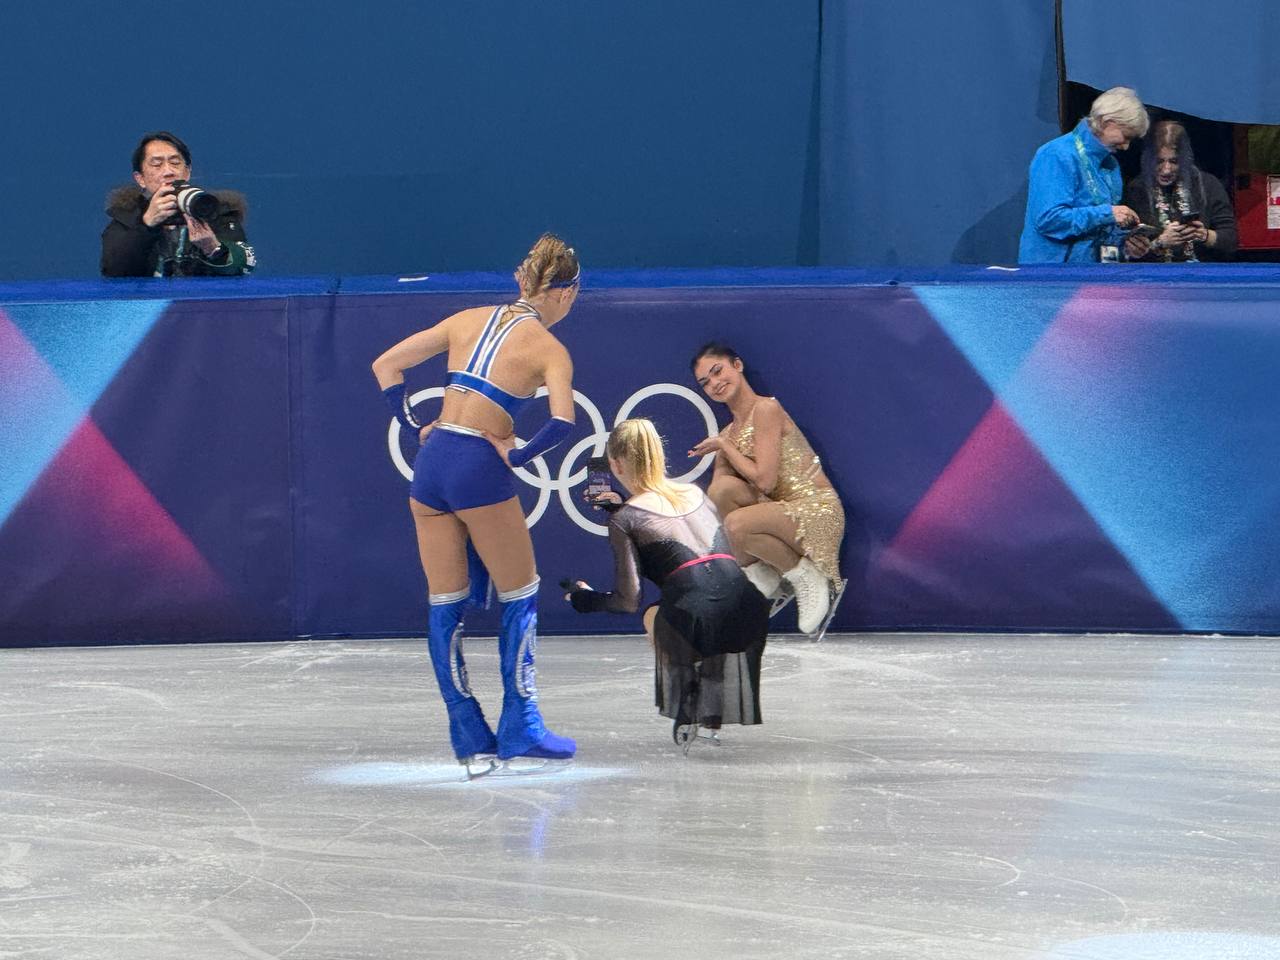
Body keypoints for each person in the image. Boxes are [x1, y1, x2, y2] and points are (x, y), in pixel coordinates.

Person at [371, 234, 580, 773]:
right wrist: (517, 455)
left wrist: (413, 425)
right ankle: (521, 727)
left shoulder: (466, 319)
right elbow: (562, 421)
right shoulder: (550, 349)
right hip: (478, 467)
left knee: (446, 602)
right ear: (567, 293)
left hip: (432, 465)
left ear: (520, 280)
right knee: (521, 593)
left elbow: (385, 365)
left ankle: (467, 734)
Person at [564, 419, 769, 750]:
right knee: (706, 600)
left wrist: (584, 599)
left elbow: (628, 600)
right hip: (751, 610)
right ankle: (711, 713)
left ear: (615, 464)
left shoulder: (625, 519)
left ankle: (689, 698)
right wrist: (621, 507)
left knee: (656, 614)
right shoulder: (695, 493)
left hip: (698, 619)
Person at [688, 343, 846, 637]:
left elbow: (765, 482)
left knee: (737, 523)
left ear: (738, 365)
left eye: (718, 371)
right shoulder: (728, 434)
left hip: (816, 511)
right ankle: (761, 574)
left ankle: (807, 576)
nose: (714, 383)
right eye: (705, 382)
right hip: (778, 514)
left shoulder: (766, 409)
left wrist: (724, 447)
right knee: (721, 493)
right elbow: (718, 495)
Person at [1018, 87, 1150, 263]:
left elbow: (1101, 232)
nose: (1126, 147)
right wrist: (1107, 213)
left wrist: (1125, 244)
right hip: (1052, 272)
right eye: (1126, 136)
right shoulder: (1057, 155)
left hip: (1093, 272)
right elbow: (1049, 220)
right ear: (1106, 122)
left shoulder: (1111, 164)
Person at [101, 131, 255, 277]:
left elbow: (245, 267)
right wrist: (146, 225)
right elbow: (113, 271)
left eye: (175, 163)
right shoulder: (126, 216)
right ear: (140, 178)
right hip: (148, 297)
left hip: (202, 296)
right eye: (157, 165)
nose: (168, 171)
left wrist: (212, 248)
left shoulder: (211, 209)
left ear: (187, 172)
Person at [1122, 120, 1238, 263]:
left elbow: (1231, 240)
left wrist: (1203, 235)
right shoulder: (1137, 189)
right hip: (1154, 273)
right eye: (1159, 161)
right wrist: (1160, 242)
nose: (1166, 170)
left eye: (1174, 161)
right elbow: (1128, 250)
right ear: (1149, 160)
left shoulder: (1208, 184)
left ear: (1184, 160)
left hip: (1202, 270)